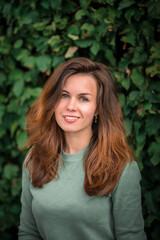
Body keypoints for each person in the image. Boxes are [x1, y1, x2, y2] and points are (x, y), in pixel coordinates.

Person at [18, 57, 147, 240]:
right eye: (64, 95)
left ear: (98, 109)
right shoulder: (35, 159)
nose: (71, 106)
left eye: (83, 99)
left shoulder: (121, 167)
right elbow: (28, 232)